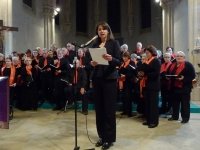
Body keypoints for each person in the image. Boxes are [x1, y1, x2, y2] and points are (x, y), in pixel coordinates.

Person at [90, 22, 120, 150]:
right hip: (97, 79)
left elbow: (118, 61)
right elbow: (89, 62)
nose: (101, 31)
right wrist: (92, 63)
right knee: (99, 110)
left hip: (109, 80)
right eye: (99, 29)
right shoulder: (95, 44)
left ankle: (109, 138)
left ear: (108, 31)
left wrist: (111, 59)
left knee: (109, 110)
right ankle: (101, 136)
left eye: (104, 29)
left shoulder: (114, 43)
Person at [167, 51, 195, 123]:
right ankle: (175, 116)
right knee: (175, 103)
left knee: (184, 103)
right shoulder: (172, 65)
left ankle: (185, 118)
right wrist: (167, 77)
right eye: (177, 56)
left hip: (184, 87)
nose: (179, 57)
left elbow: (192, 75)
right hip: (174, 87)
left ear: (184, 58)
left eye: (181, 56)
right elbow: (167, 73)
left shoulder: (188, 65)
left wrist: (184, 79)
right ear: (175, 57)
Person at [138, 45, 161, 128]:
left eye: (147, 53)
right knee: (147, 104)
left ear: (152, 52)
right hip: (147, 85)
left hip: (154, 85)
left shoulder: (156, 61)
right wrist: (141, 74)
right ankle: (148, 120)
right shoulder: (148, 61)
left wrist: (145, 74)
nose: (146, 54)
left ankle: (154, 122)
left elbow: (156, 74)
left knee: (153, 105)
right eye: (146, 53)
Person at [118, 51, 136, 117]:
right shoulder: (122, 63)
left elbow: (132, 73)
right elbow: (120, 71)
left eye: (125, 57)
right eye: (123, 57)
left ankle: (129, 112)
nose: (124, 58)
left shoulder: (132, 63)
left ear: (128, 57)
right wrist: (120, 74)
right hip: (123, 82)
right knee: (124, 97)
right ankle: (124, 111)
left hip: (129, 82)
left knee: (128, 97)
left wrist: (125, 75)